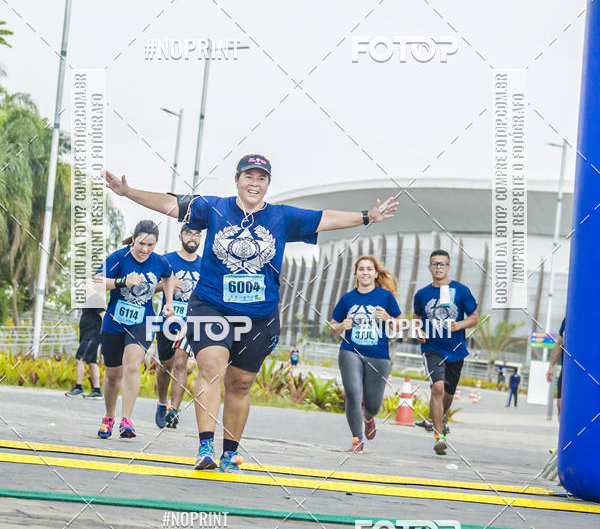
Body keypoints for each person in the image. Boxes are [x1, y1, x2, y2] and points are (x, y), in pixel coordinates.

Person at [105, 155, 397, 472]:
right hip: (212, 306)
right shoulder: (214, 208)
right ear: (237, 180)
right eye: (248, 177)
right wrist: (128, 192)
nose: (254, 183)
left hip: (259, 315)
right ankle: (205, 446)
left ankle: (229, 453)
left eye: (261, 178)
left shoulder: (282, 217)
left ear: (268, 184)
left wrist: (367, 216)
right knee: (210, 367)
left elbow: (325, 219)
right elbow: (170, 204)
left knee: (241, 383)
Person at [95, 220, 174, 439]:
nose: (145, 250)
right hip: (114, 322)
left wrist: (169, 302)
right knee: (113, 375)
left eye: (150, 245)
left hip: (143, 322)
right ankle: (109, 417)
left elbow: (169, 277)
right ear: (133, 239)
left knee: (132, 366)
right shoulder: (118, 258)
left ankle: (126, 420)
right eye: (141, 244)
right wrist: (123, 281)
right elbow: (95, 283)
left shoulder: (160, 262)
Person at [329, 255, 402, 452]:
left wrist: (388, 318)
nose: (365, 273)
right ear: (356, 273)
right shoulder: (347, 299)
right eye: (361, 269)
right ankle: (357, 440)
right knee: (353, 394)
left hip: (379, 355)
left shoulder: (386, 296)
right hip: (350, 351)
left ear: (376, 273)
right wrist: (341, 326)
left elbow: (400, 325)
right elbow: (332, 327)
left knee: (373, 404)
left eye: (369, 269)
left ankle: (368, 418)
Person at [414, 249, 478, 455]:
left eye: (442, 264)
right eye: (435, 263)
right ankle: (438, 436)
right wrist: (418, 331)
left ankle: (442, 418)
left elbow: (474, 317)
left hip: (456, 350)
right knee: (437, 388)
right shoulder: (422, 294)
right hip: (432, 348)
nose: (438, 267)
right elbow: (416, 317)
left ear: (449, 267)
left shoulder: (461, 291)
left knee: (448, 396)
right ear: (429, 267)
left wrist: (459, 325)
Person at [154, 226, 202, 429]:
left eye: (197, 234)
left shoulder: (204, 264)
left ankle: (174, 410)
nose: (193, 238)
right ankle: (162, 403)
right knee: (166, 365)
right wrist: (168, 285)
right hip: (168, 319)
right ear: (180, 236)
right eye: (189, 233)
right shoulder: (167, 260)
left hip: (190, 321)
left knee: (181, 362)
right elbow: (149, 287)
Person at [65, 306, 105, 399]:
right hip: (86, 335)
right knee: (91, 362)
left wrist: (105, 337)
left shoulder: (96, 300)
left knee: (79, 358)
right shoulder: (88, 301)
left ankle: (78, 387)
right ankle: (97, 390)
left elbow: (104, 316)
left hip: (91, 336)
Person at [546, 315, 565, 421]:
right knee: (560, 404)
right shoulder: (567, 319)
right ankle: (563, 432)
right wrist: (551, 366)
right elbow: (559, 343)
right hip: (566, 371)